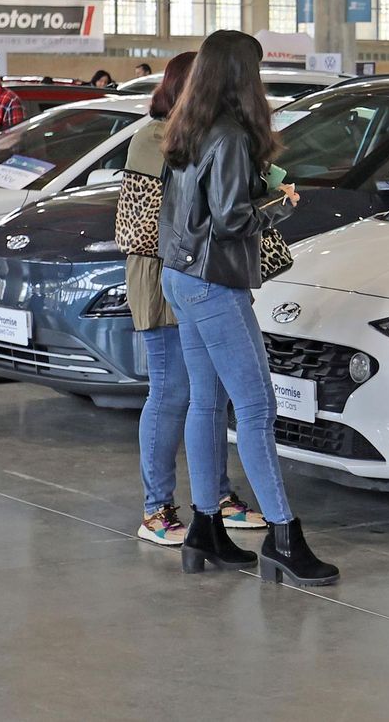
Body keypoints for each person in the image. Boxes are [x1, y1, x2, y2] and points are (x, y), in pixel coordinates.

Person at [158, 30, 338, 587]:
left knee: (206, 405)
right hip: (214, 284)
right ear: (243, 76)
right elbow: (232, 221)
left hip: (179, 277)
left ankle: (205, 528)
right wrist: (278, 207)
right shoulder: (232, 136)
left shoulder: (186, 128)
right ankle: (284, 537)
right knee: (257, 409)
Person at [117, 51, 269, 547]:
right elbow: (146, 223)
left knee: (210, 394)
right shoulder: (156, 139)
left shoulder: (199, 136)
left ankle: (216, 498)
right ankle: (156, 508)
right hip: (165, 275)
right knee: (172, 391)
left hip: (195, 272)